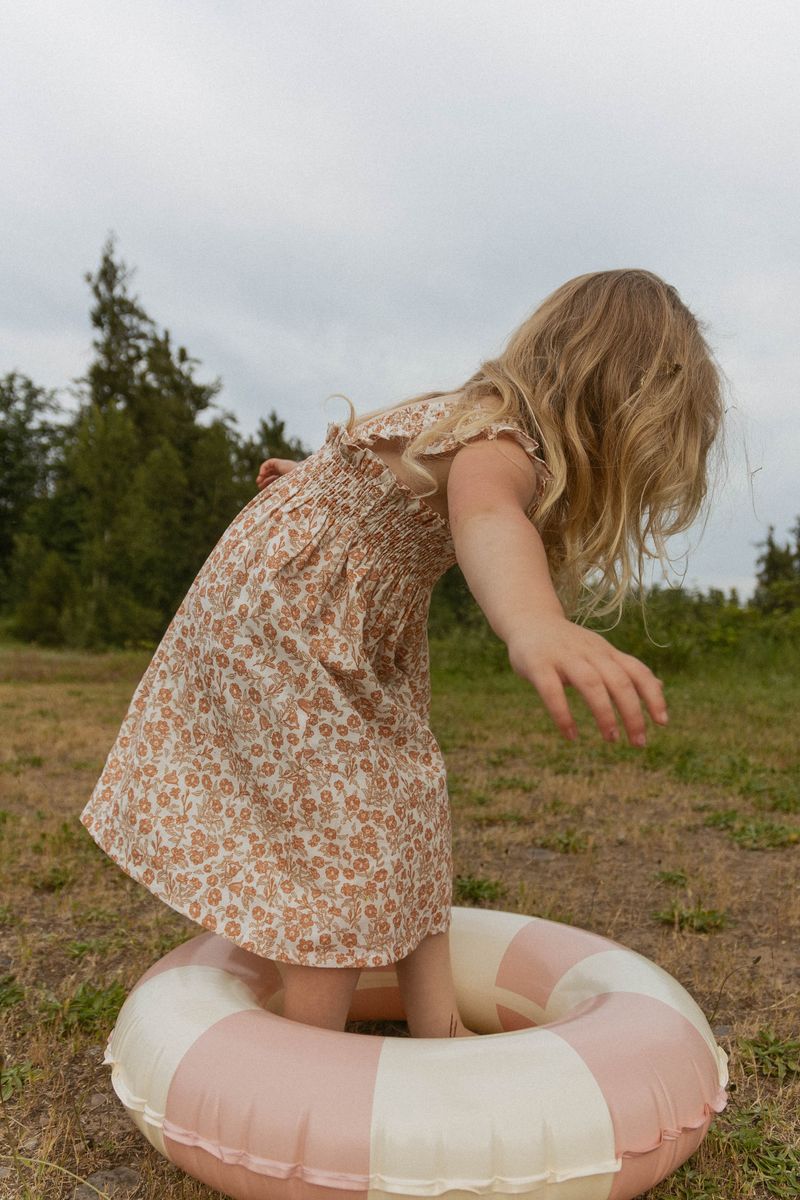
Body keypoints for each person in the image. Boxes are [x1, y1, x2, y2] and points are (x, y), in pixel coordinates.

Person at [80, 268, 724, 1040]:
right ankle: (309, 1052)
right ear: (615, 408)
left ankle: (437, 1024)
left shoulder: (464, 416)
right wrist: (533, 623)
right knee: (342, 827)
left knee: (408, 793)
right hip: (297, 621)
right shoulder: (500, 444)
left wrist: (313, 487)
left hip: (315, 607)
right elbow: (488, 515)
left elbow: (383, 473)